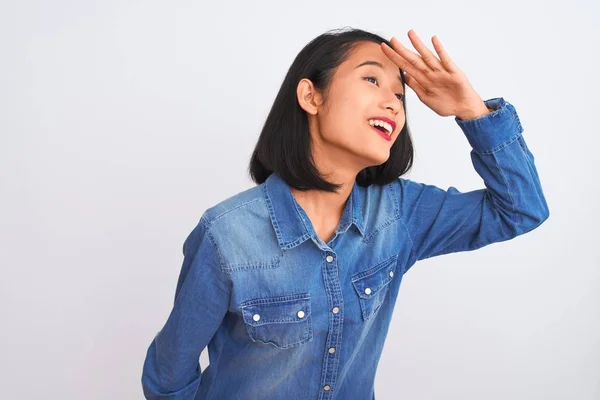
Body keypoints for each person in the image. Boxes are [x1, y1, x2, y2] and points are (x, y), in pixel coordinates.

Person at [141, 27, 549, 399]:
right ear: (310, 96)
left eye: (400, 95)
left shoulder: (399, 213)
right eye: (372, 79)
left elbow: (521, 208)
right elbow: (168, 379)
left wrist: (472, 110)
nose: (392, 102)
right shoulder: (226, 235)